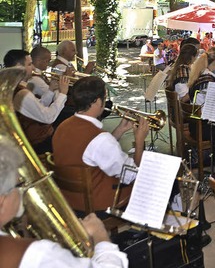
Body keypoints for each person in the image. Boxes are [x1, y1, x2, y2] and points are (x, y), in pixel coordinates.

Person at [0, 139, 128, 267]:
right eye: (19, 184)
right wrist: (100, 235)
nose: (23, 189)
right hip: (103, 202)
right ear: (2, 201)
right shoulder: (37, 255)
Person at [52, 76, 150, 213]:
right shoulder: (100, 139)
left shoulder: (63, 126)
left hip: (71, 200)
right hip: (101, 204)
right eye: (105, 97)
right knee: (156, 183)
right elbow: (133, 175)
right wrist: (139, 141)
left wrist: (119, 130)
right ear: (98, 101)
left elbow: (94, 152)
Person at [5, 50, 69, 154]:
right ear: (18, 67)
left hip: (38, 137)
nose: (34, 68)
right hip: (40, 142)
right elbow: (48, 117)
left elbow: (37, 107)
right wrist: (63, 93)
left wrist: (51, 90)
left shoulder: (13, 88)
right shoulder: (22, 93)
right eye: (30, 64)